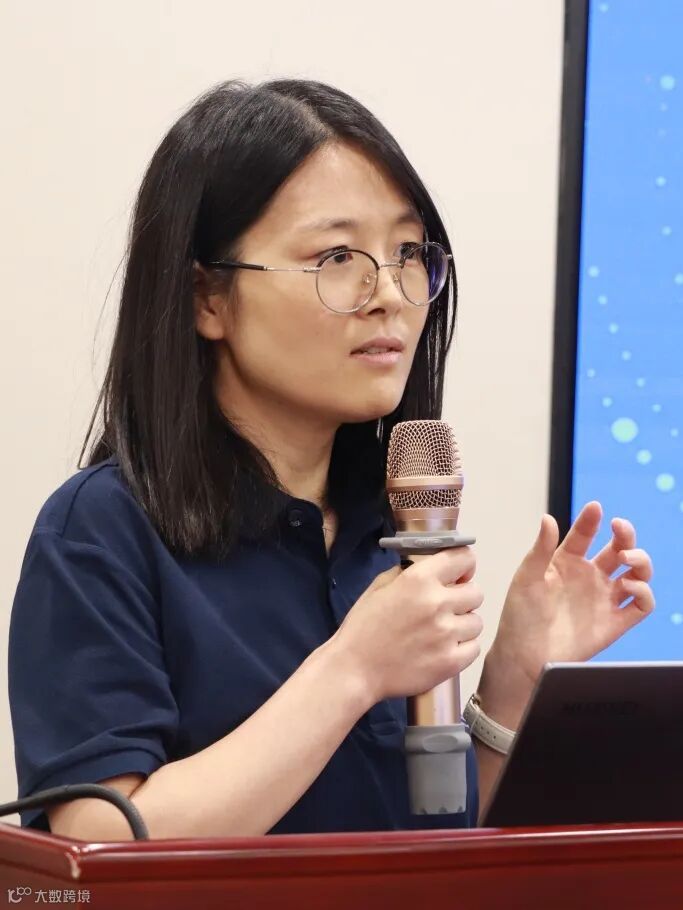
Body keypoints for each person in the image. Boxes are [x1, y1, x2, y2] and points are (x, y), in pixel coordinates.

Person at [8, 79, 655, 841]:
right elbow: (97, 843)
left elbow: (429, 840)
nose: (389, 295)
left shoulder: (393, 529)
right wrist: (351, 670)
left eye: (407, 253)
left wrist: (512, 681)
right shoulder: (102, 529)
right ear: (206, 297)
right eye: (337, 256)